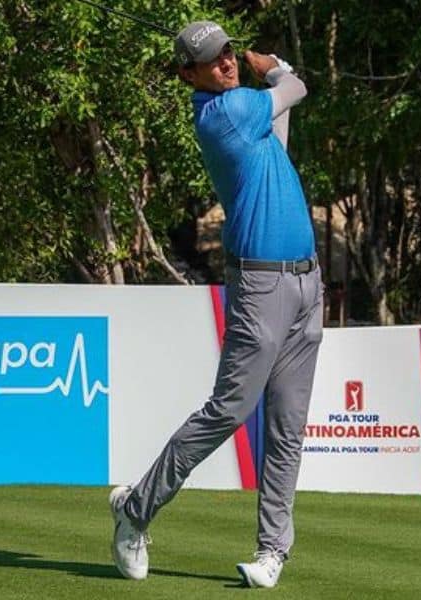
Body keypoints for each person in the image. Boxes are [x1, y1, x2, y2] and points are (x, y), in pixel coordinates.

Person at [109, 20, 323, 589]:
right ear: (189, 75)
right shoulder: (225, 114)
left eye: (229, 53)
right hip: (260, 286)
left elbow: (281, 126)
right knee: (228, 410)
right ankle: (135, 511)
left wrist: (272, 76)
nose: (226, 63)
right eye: (213, 60)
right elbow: (296, 88)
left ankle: (273, 550)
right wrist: (270, 66)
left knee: (287, 426)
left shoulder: (249, 115)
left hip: (308, 283)